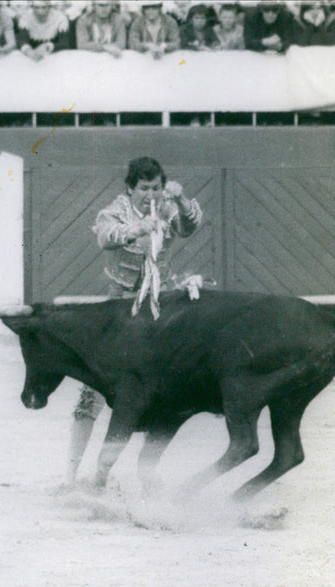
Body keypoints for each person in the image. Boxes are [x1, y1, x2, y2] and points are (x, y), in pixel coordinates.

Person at [67, 157, 203, 486]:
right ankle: (70, 476)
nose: (150, 194)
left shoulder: (169, 208)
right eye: (144, 188)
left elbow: (189, 226)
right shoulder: (116, 210)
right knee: (91, 393)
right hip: (119, 308)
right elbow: (104, 236)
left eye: (156, 187)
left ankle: (147, 472)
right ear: (130, 188)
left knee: (167, 389)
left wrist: (181, 198)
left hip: (159, 307)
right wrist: (133, 230)